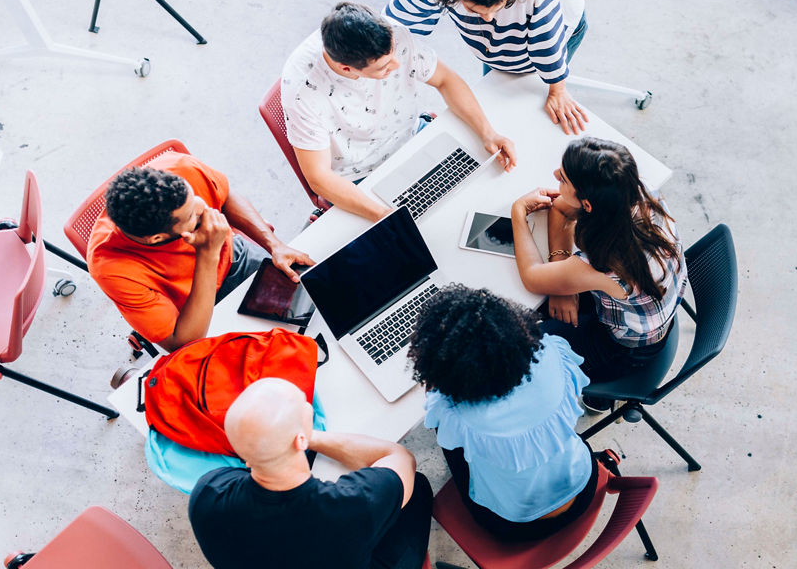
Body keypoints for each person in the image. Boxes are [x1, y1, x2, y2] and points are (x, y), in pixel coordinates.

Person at [281, 2, 517, 221]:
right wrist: (386, 216)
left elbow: (445, 80)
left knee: (488, 195)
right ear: (346, 68)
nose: (397, 65)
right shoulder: (303, 92)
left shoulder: (392, 34)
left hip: (414, 137)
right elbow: (319, 177)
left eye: (394, 54)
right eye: (384, 67)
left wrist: (488, 133)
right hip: (361, 176)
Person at [409, 285, 598, 541]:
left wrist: (435, 386)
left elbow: (438, 413)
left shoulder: (455, 416)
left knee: (444, 433)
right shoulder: (553, 352)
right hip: (583, 485)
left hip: (514, 524)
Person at [188, 378, 432, 569]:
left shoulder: (206, 493)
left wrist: (287, 439)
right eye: (304, 404)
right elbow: (400, 457)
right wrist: (310, 438)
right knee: (418, 487)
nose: (308, 405)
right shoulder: (353, 505)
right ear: (300, 439)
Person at [87, 152, 313, 353]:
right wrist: (208, 254)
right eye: (192, 218)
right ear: (157, 239)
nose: (204, 210)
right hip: (191, 314)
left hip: (236, 258)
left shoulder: (180, 167)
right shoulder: (111, 268)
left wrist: (275, 245)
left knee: (313, 313)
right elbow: (183, 342)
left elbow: (224, 196)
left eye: (194, 197)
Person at [510, 138, 687, 389]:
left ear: (588, 205)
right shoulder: (637, 193)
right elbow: (560, 209)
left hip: (624, 350)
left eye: (563, 179)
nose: (555, 175)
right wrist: (563, 282)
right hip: (647, 316)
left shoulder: (610, 262)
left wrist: (518, 213)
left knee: (516, 348)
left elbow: (531, 277)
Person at [386, 0, 590, 135]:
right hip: (505, 38)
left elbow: (547, 45)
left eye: (496, 9)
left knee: (523, 105)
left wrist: (557, 89)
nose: (488, 19)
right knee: (495, 91)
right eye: (475, 10)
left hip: (558, 25)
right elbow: (400, 23)